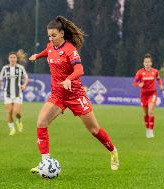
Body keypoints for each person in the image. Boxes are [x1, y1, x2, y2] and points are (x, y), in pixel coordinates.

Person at [28, 16, 120, 173]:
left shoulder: (71, 50)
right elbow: (48, 51)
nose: (51, 38)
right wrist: (37, 55)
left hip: (75, 95)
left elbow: (80, 70)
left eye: (54, 35)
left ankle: (113, 152)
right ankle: (45, 163)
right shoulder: (50, 46)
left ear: (62, 33)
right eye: (49, 36)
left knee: (94, 130)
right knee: (41, 123)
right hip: (57, 95)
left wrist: (69, 79)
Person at [0, 50, 29, 135]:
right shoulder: (5, 68)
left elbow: (26, 78)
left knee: (17, 112)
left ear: (16, 59)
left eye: (14, 57)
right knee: (9, 112)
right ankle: (12, 129)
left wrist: (24, 85)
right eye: (11, 57)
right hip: (8, 94)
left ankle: (19, 121)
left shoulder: (20, 68)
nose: (12, 59)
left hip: (18, 93)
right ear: (8, 59)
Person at [133, 53, 164, 138]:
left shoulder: (155, 71)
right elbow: (135, 82)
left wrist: (162, 89)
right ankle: (147, 129)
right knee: (146, 114)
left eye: (149, 62)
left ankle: (151, 130)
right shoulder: (140, 72)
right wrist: (139, 84)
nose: (147, 64)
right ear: (143, 63)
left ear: (151, 63)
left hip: (152, 94)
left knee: (150, 112)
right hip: (144, 95)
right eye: (146, 62)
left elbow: (158, 80)